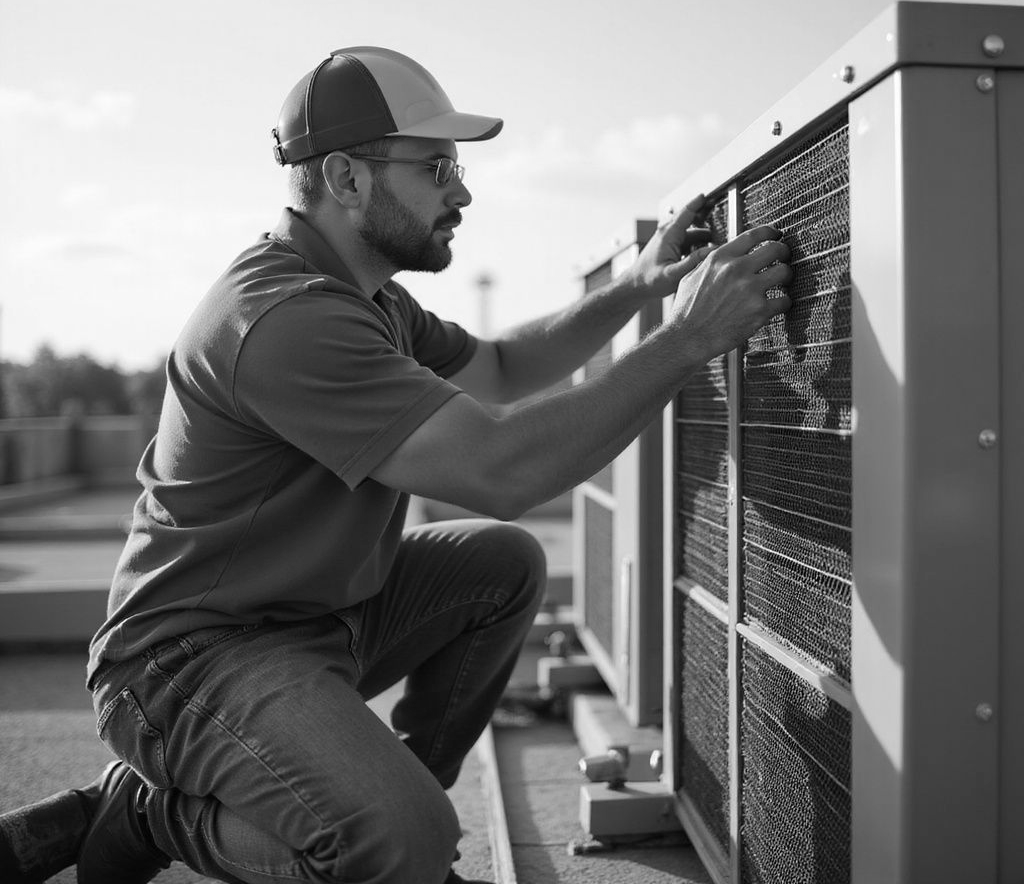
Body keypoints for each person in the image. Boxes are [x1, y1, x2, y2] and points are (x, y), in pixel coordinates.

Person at [0, 46, 791, 884]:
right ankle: (156, 811)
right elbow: (503, 469)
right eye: (436, 165)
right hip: (190, 657)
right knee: (403, 838)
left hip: (314, 625)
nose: (463, 190)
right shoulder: (285, 318)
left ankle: (380, 818)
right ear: (345, 179)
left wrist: (641, 287)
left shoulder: (367, 298)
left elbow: (501, 367)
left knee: (499, 565)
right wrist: (691, 338)